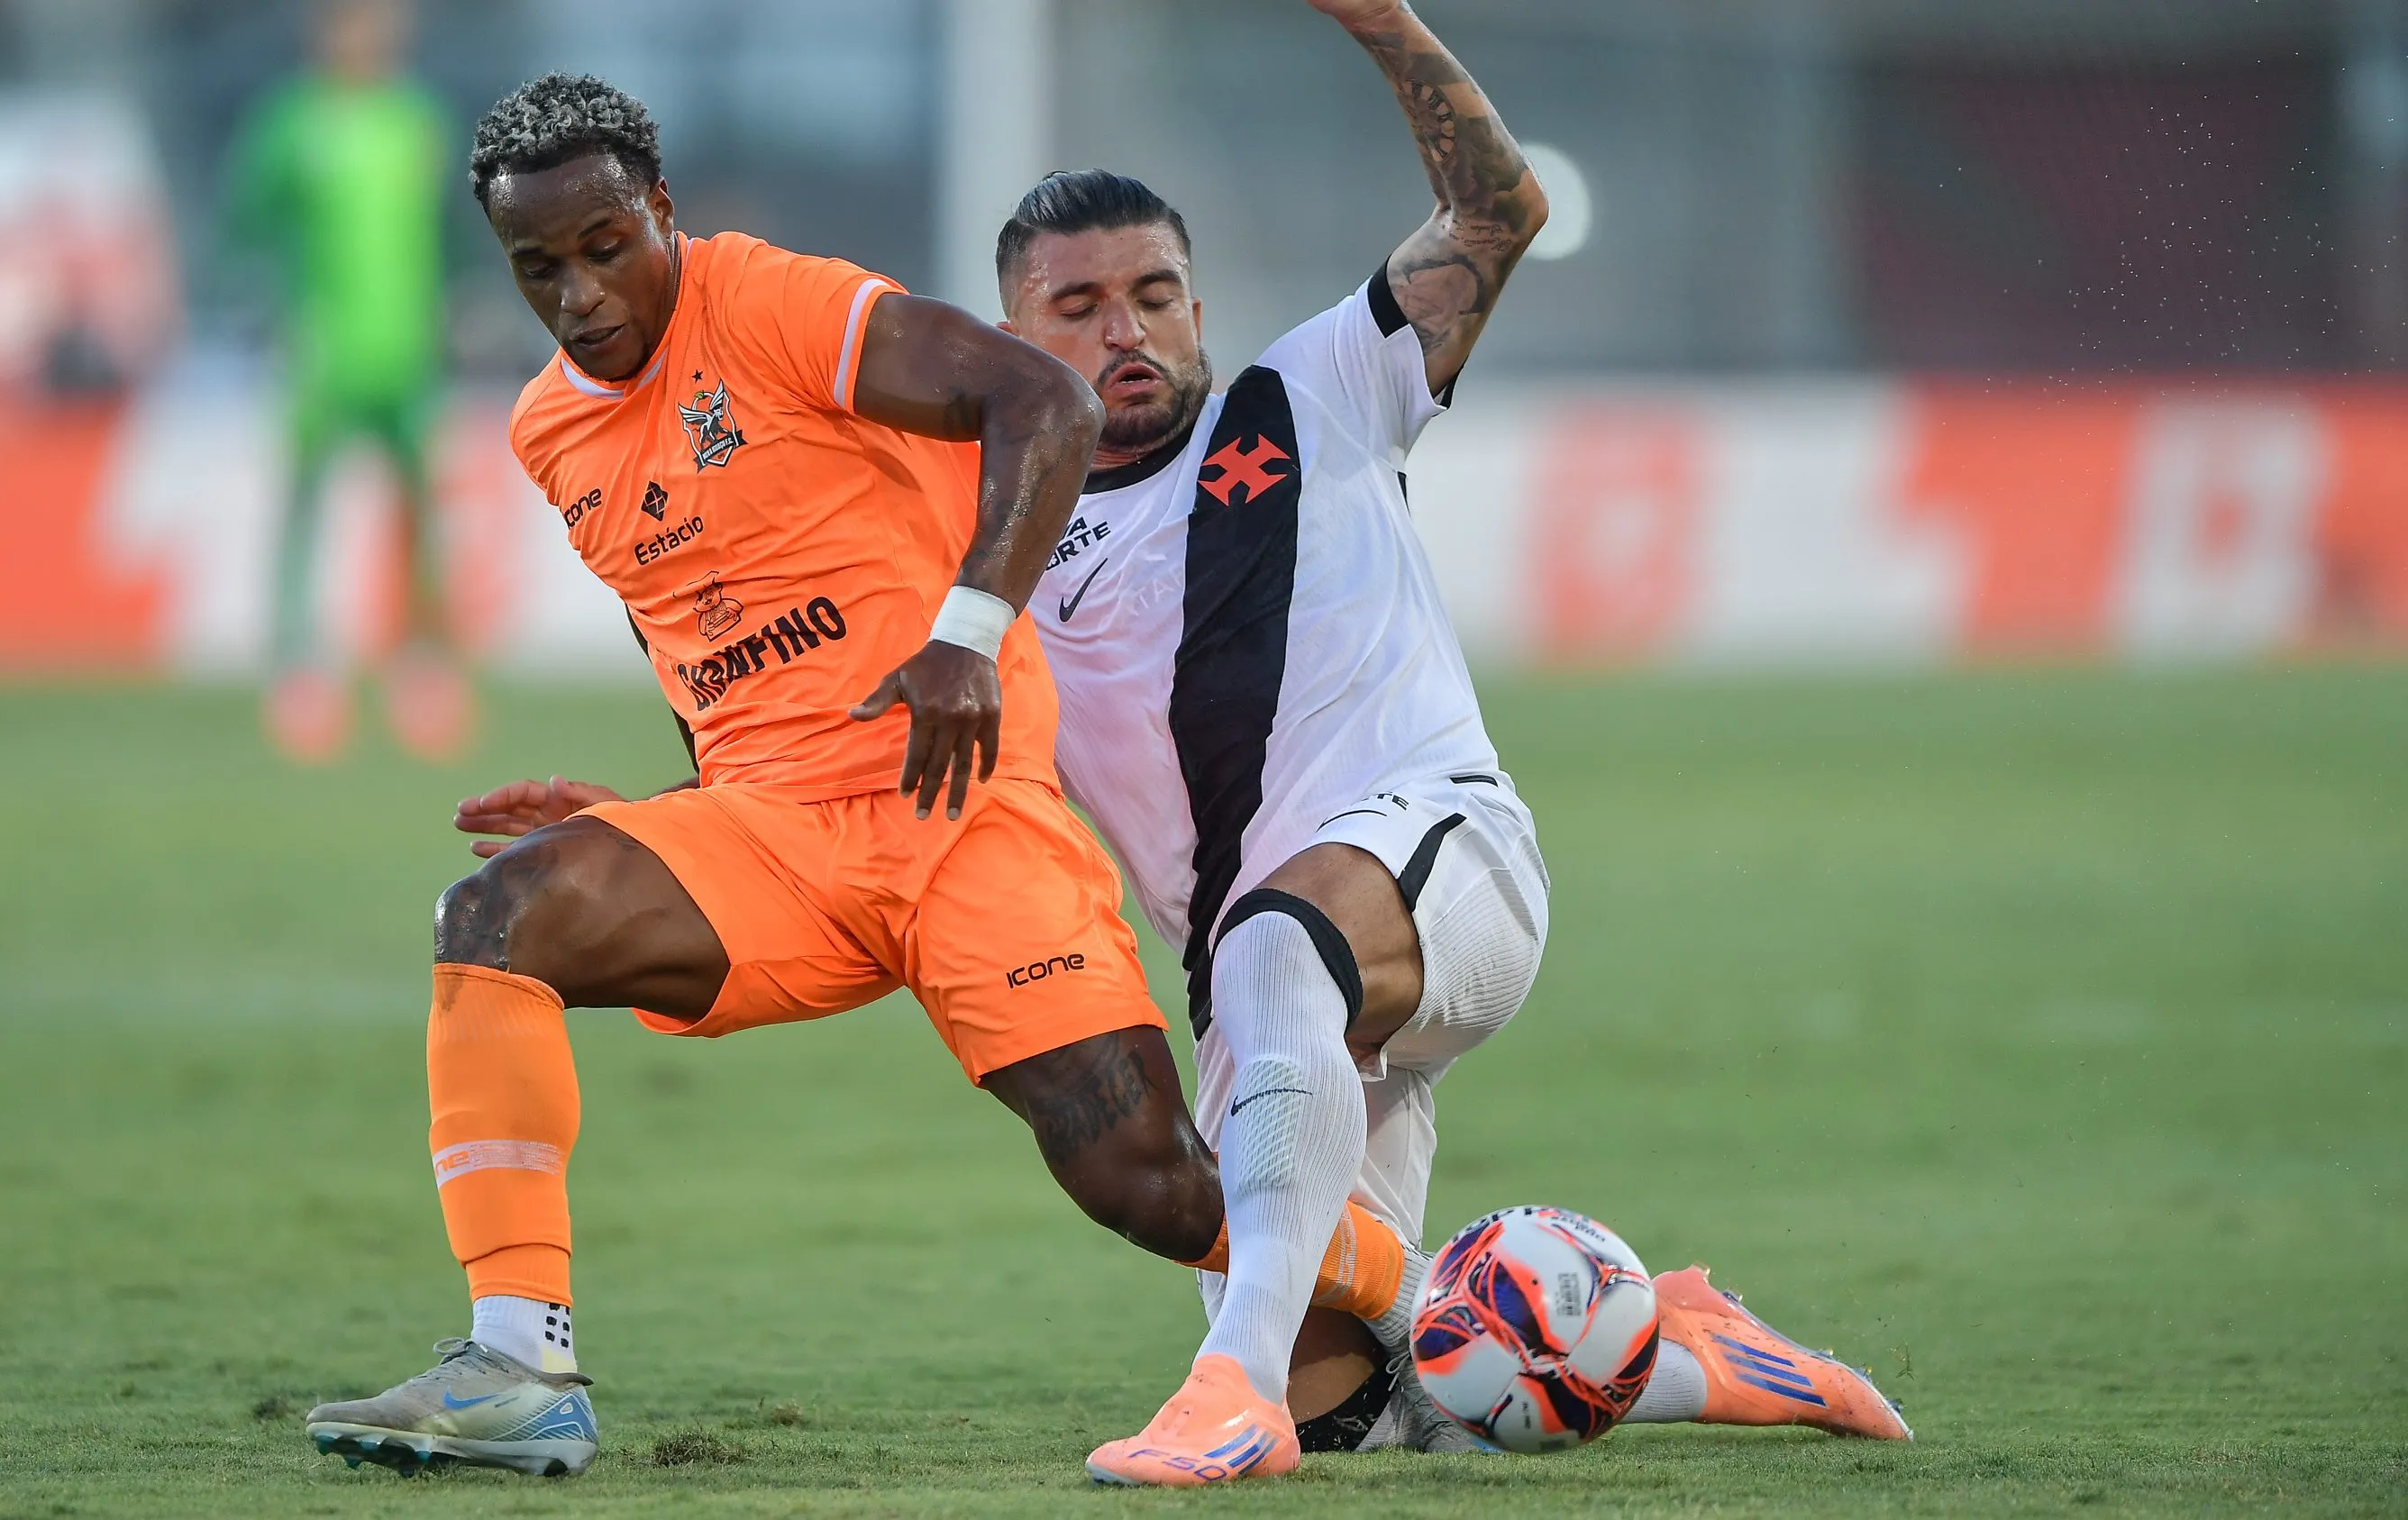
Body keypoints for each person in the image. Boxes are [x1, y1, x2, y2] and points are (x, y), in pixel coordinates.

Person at [303, 71, 1418, 1480]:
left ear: (661, 212)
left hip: (963, 812)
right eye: (540, 267)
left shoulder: (773, 302)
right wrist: (671, 817)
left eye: (604, 247)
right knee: (496, 921)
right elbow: (692, 629)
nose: (579, 294)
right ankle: (519, 1362)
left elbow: (1045, 399)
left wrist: (968, 634)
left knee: (1146, 1179)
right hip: (774, 834)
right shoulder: (550, 430)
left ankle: (1430, 1297)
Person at [979, 0, 1913, 1484]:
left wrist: (1378, 19)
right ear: (1008, 342)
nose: (1125, 329)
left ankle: (1228, 1392)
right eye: (1078, 305)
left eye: (1155, 294)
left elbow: (1499, 209)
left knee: (1279, 950)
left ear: (1198, 309)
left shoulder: (1314, 392)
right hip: (1265, 995)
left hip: (1440, 861)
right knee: (1364, 1397)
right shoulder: (996, 554)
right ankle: (1690, 1355)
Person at [221, 0, 469, 763]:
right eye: (354, 21)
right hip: (323, 352)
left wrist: (453, 308)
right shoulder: (290, 124)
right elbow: (244, 221)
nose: (370, 35)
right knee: (307, 504)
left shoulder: (419, 120)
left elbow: (452, 230)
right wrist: (276, 304)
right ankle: (300, 667)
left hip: (410, 350)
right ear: (325, 31)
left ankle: (421, 663)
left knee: (420, 508)